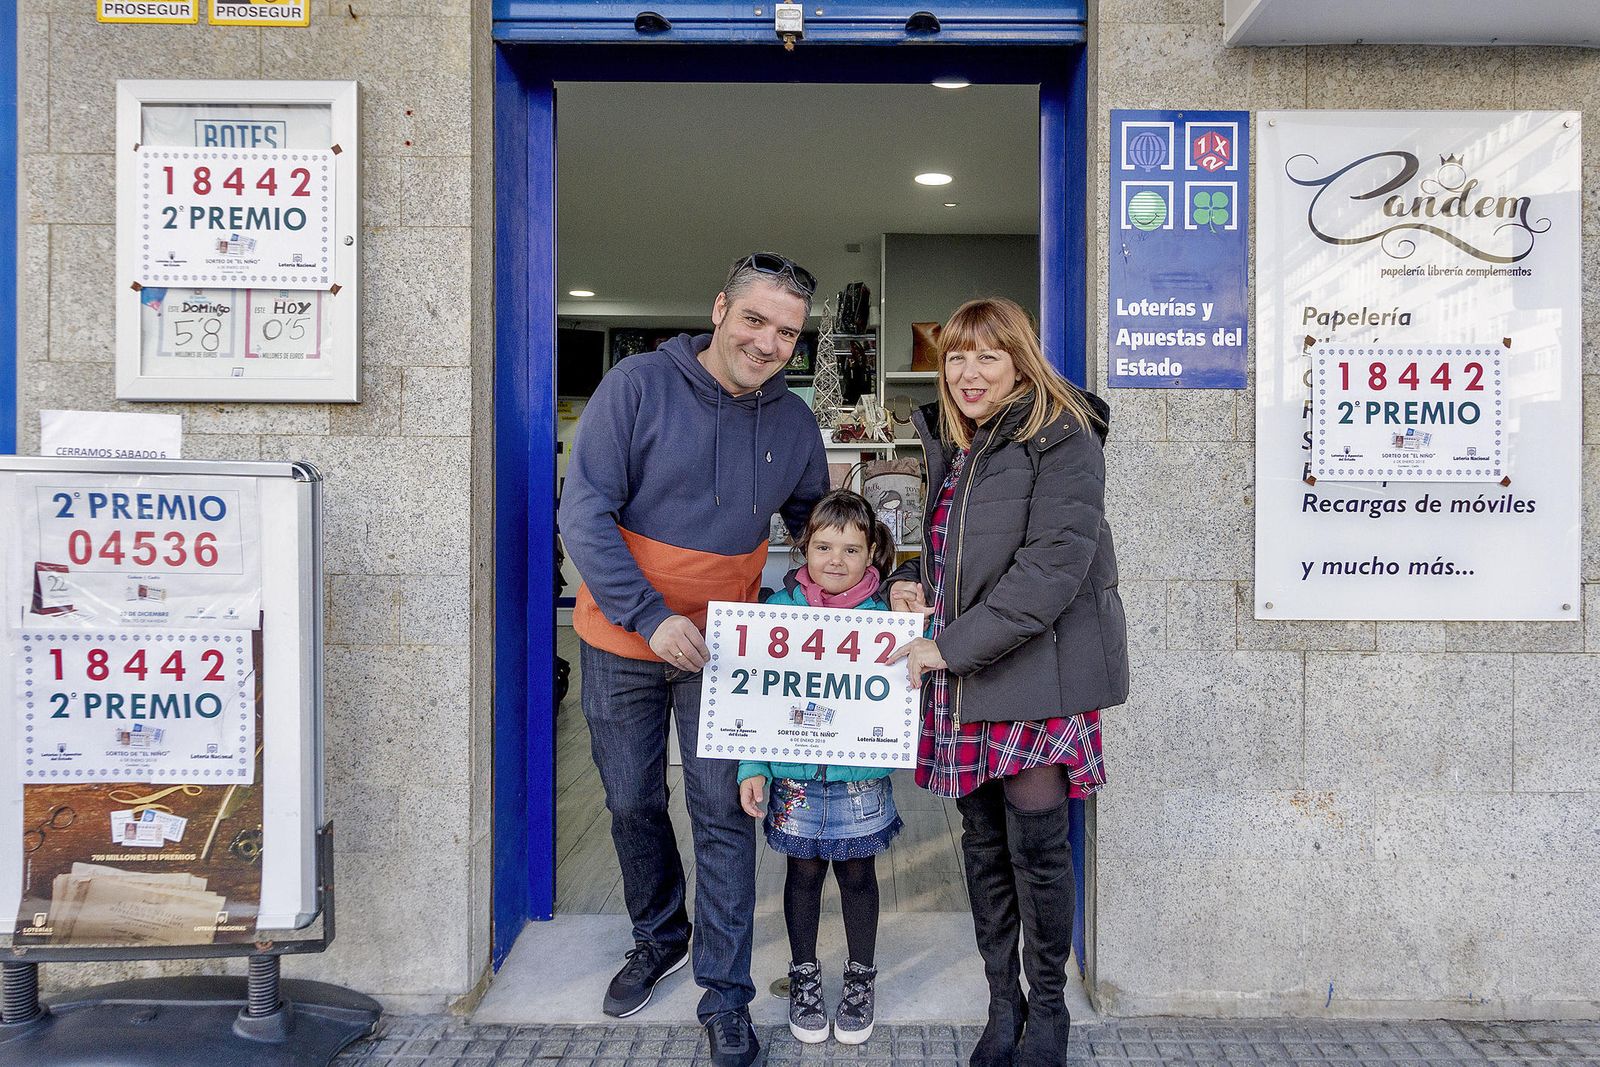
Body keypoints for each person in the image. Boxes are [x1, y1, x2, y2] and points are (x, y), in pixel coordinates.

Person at [558, 252, 829, 1067]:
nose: (768, 341)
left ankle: (727, 993)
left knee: (725, 814)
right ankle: (658, 932)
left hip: (728, 651)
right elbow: (585, 510)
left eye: (787, 331)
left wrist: (875, 590)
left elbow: (820, 525)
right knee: (632, 800)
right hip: (620, 637)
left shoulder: (792, 422)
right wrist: (649, 616)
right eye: (755, 320)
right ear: (719, 309)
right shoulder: (638, 385)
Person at [886, 297, 1128, 1067]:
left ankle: (1048, 1007)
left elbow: (1052, 567)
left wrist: (947, 649)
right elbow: (953, 549)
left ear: (1021, 359)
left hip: (1034, 672)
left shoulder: (1062, 433)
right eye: (955, 356)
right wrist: (913, 584)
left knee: (1039, 848)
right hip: (966, 667)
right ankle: (1003, 1002)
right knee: (984, 843)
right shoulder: (956, 440)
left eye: (987, 355)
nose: (967, 372)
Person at [734, 490, 902, 1046]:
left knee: (858, 876)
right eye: (824, 546)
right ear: (802, 547)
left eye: (852, 549)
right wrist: (751, 765)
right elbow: (754, 698)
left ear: (873, 553)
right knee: (802, 876)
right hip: (795, 779)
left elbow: (906, 693)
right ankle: (804, 974)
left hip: (860, 781)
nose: (836, 559)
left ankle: (860, 978)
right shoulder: (777, 615)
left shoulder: (889, 621)